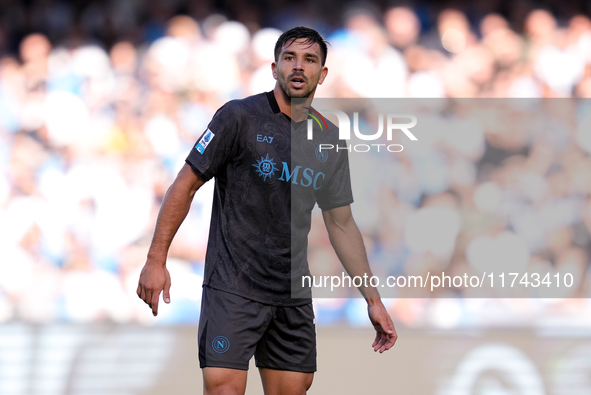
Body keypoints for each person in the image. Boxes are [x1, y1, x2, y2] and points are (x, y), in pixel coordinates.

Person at [137, 26, 397, 395]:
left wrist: (373, 299)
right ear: (274, 67)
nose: (298, 67)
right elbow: (186, 183)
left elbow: (341, 224)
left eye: (309, 60)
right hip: (233, 286)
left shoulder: (328, 139)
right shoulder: (238, 117)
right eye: (289, 57)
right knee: (223, 387)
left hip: (290, 293)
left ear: (322, 75)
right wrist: (155, 258)